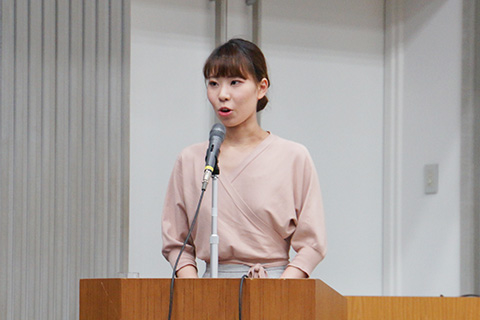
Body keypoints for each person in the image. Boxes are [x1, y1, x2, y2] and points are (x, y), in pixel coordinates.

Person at [161, 38, 326, 279]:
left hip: (276, 288)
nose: (223, 95)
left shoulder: (293, 157)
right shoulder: (190, 159)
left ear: (261, 87)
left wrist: (279, 290)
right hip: (208, 294)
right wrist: (194, 293)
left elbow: (311, 243)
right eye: (213, 83)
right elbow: (176, 242)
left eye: (235, 83)